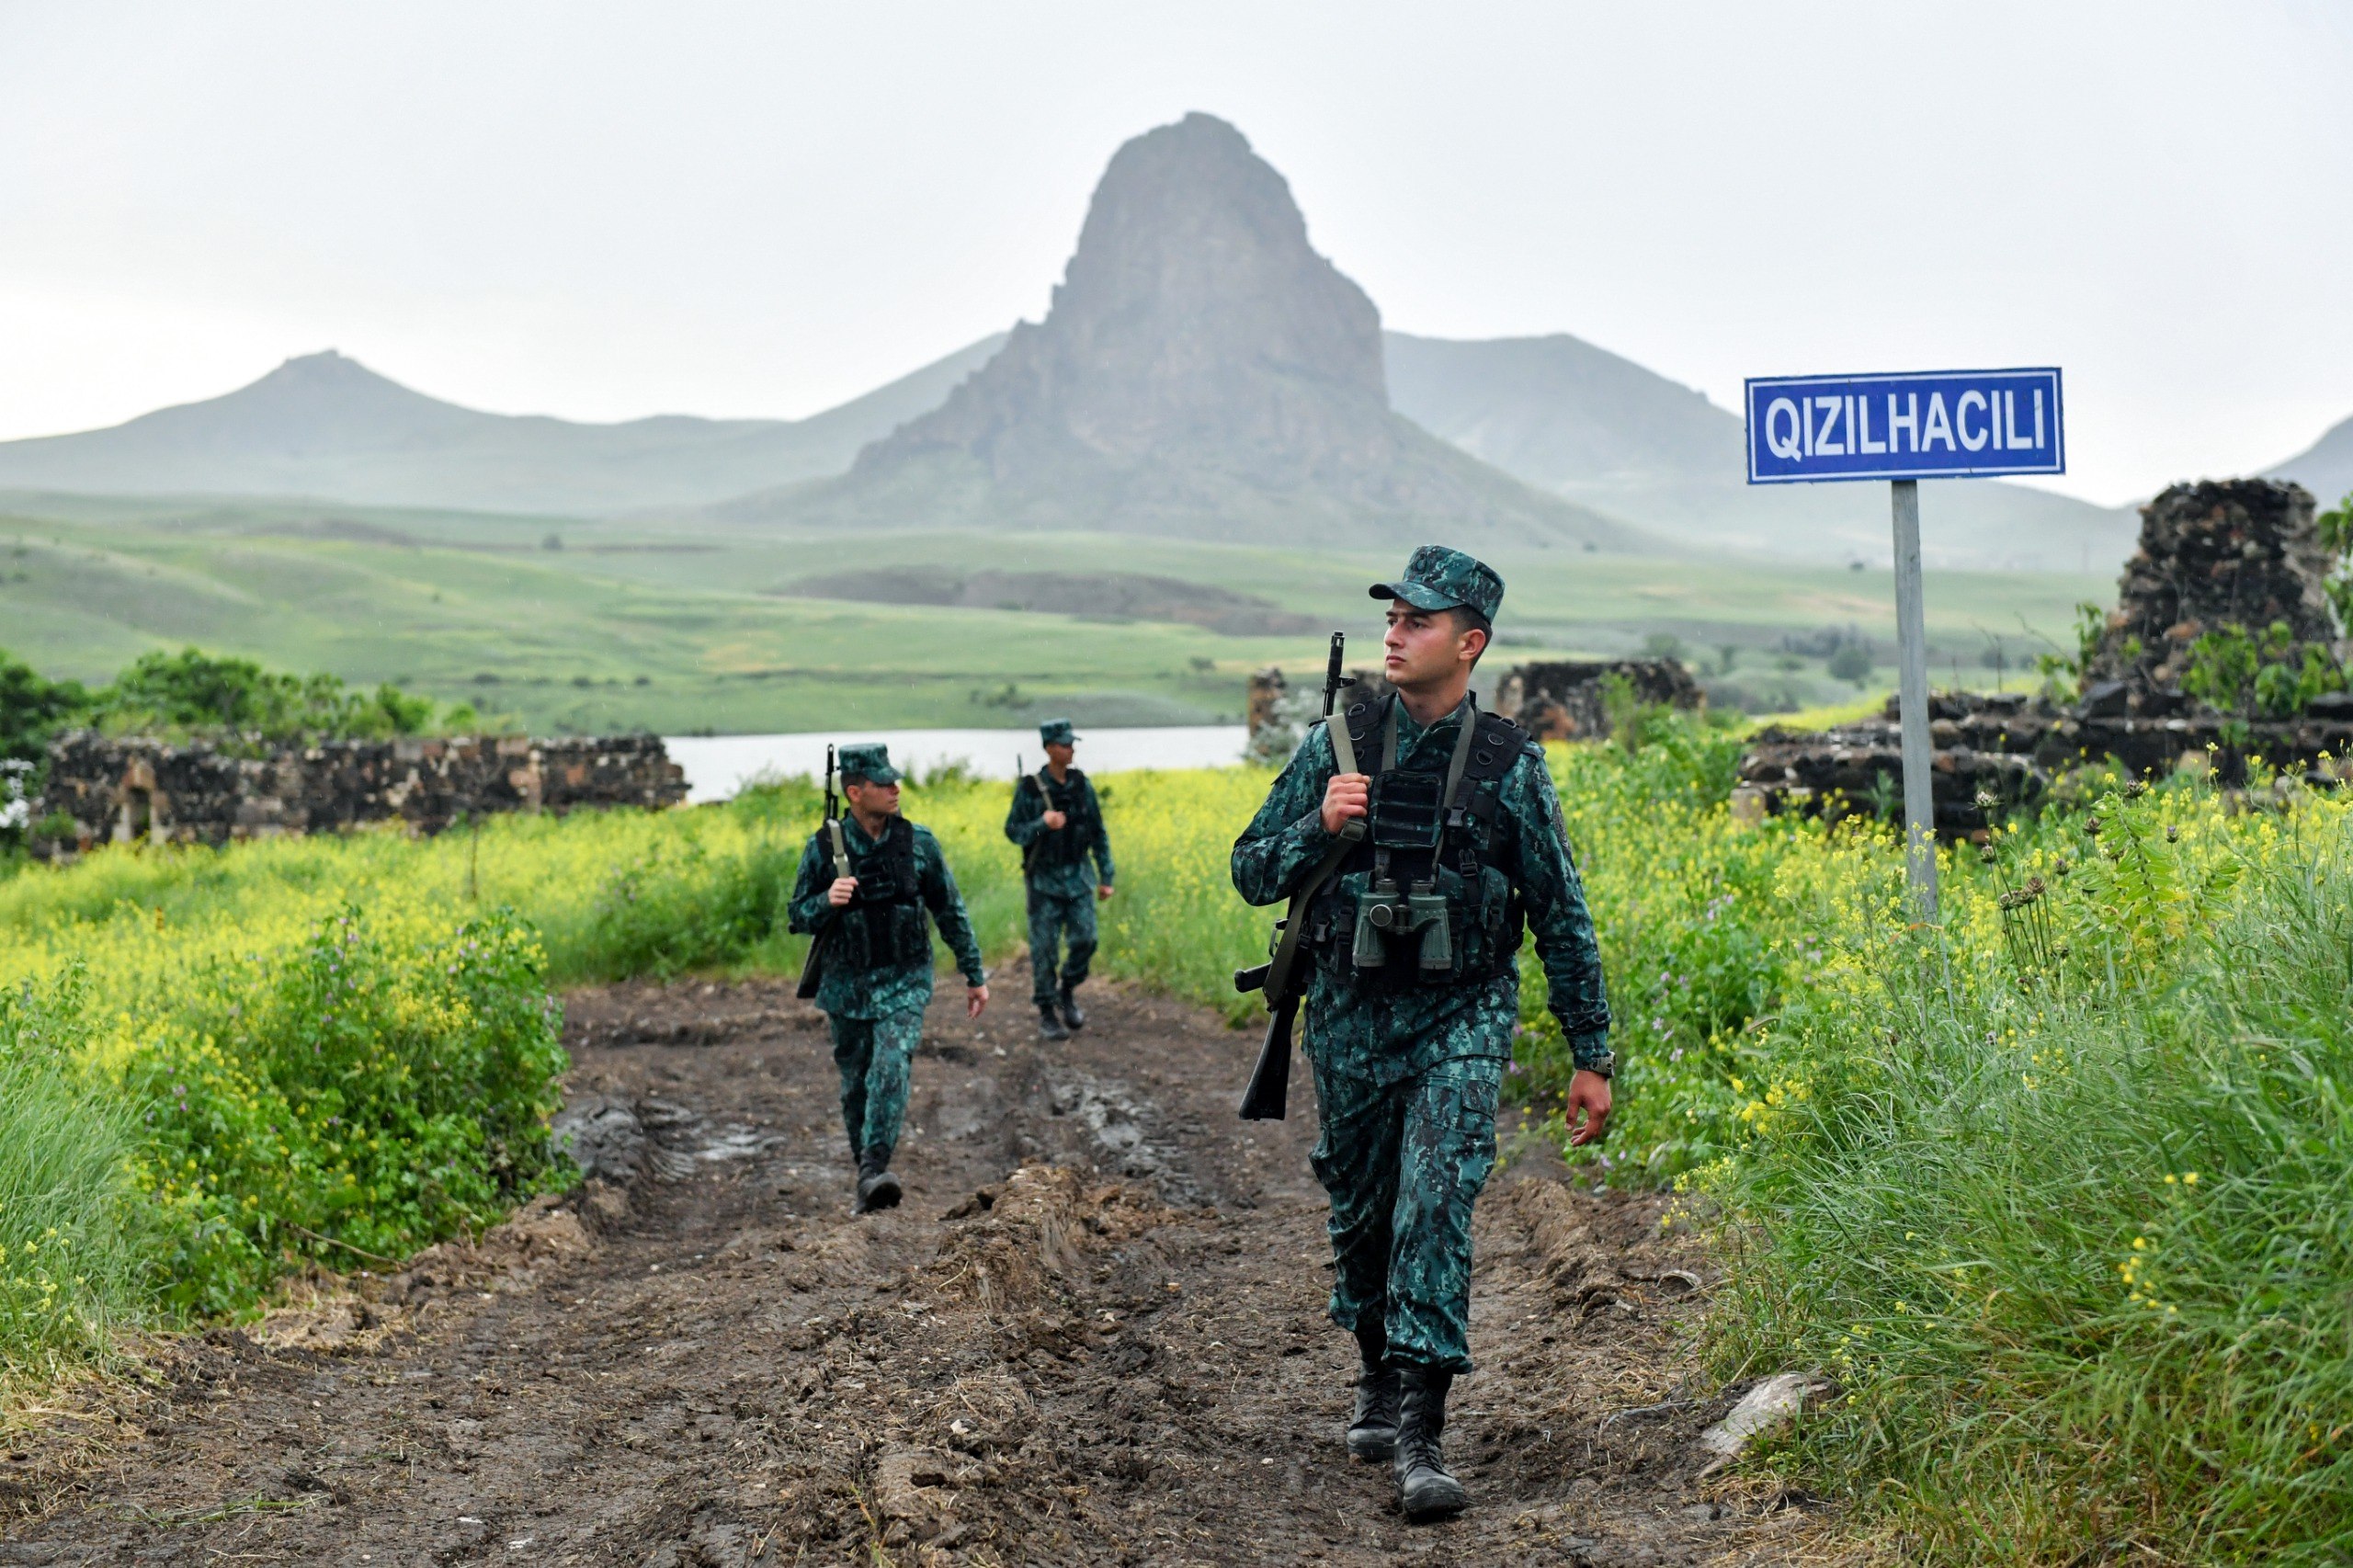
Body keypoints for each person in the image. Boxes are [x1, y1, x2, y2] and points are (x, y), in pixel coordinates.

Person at [1229, 545, 1615, 1521]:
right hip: (1351, 1016)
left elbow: (1560, 911)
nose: (1395, 633)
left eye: (1419, 619)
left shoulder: (1507, 763)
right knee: (1362, 1215)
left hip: (1464, 1013)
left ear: (1469, 642)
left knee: (1434, 1204)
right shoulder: (1338, 741)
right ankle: (1371, 1367)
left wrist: (1588, 1052)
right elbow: (1250, 869)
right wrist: (1319, 823)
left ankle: (1421, 1428)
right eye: (1391, 616)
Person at [787, 743, 989, 1214]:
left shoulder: (920, 843)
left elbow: (950, 911)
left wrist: (974, 974)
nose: (895, 788)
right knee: (855, 1083)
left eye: (895, 780)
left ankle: (876, 1165)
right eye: (882, 783)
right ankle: (867, 1175)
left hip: (906, 979)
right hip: (846, 985)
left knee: (892, 1063)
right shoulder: (822, 847)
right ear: (854, 792)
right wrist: (826, 900)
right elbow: (796, 916)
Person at [1004, 717, 1115, 1041]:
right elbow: (1013, 831)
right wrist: (1042, 823)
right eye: (1064, 744)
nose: (1071, 749)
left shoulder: (1083, 785)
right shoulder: (1029, 789)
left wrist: (1106, 875)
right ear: (1049, 748)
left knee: (1086, 940)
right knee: (1044, 951)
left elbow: (1098, 832)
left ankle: (1066, 989)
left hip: (1079, 878)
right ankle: (1046, 1012)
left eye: (1071, 743)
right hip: (1043, 882)